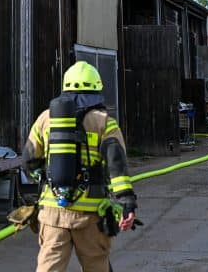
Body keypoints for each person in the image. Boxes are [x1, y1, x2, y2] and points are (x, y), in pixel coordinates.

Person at [23, 61, 138, 272]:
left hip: (53, 214)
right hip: (91, 216)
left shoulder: (45, 118)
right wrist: (127, 203)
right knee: (96, 267)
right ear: (96, 89)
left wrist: (48, 179)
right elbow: (117, 168)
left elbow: (29, 161)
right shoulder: (105, 122)